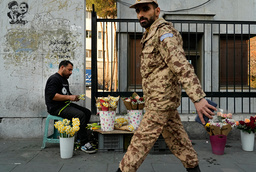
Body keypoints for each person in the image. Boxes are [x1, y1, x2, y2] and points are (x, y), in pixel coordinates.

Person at [117, 0, 217, 172]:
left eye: (145, 9)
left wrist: (198, 97)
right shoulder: (150, 33)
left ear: (157, 11)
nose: (141, 14)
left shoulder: (163, 32)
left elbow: (180, 64)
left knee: (139, 144)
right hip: (161, 101)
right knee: (179, 142)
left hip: (160, 103)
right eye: (138, 11)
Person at [45, 60, 96, 154]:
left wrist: (74, 97)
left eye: (71, 70)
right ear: (62, 68)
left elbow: (65, 94)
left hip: (65, 105)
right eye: (69, 70)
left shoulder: (64, 79)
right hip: (56, 108)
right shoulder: (54, 79)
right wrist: (69, 97)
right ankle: (84, 144)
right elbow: (53, 96)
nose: (71, 72)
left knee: (87, 112)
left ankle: (80, 138)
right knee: (80, 115)